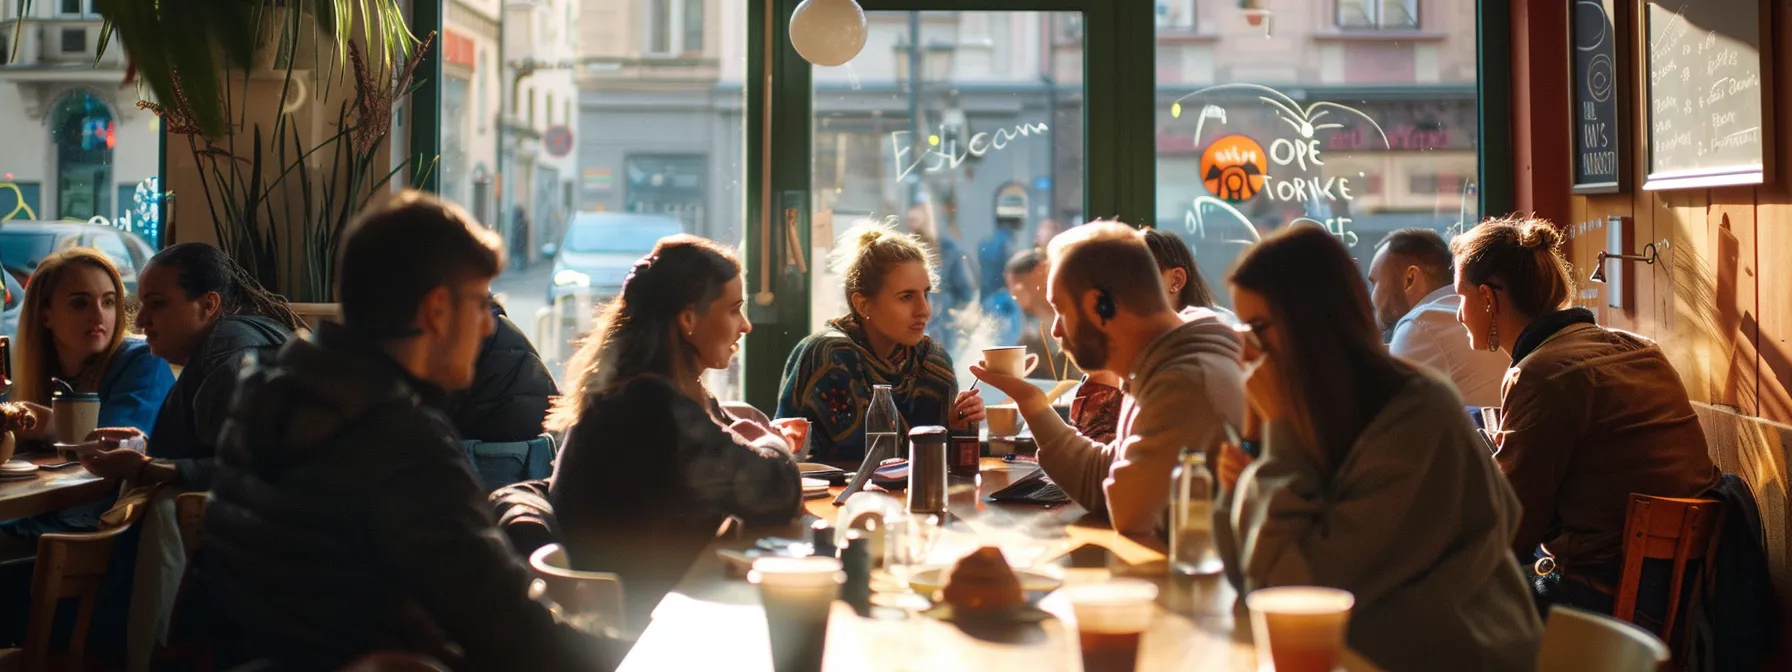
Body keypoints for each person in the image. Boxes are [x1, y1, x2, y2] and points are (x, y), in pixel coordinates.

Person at [197, 191, 616, 670]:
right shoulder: (398, 440)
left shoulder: (264, 395)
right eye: (480, 303)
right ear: (437, 310)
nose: (486, 327)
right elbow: (512, 630)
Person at [1214, 224, 1540, 671]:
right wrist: (1249, 460)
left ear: (1309, 324)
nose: (1244, 355)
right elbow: (1247, 577)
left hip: (1459, 656)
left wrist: (1276, 443)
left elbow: (1296, 593)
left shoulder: (1414, 416)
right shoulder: (1313, 413)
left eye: (1256, 331)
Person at [1450, 216, 1719, 625]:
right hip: (1677, 598)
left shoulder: (1541, 374)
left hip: (1599, 601)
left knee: (1437, 603)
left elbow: (1512, 532)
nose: (1457, 314)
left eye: (1460, 297)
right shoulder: (1638, 348)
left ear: (1488, 298)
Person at [549, 234, 802, 625]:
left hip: (649, 603)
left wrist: (740, 429)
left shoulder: (632, 389)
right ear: (687, 320)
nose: (747, 326)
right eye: (734, 310)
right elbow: (778, 490)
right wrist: (771, 439)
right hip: (642, 630)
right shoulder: (649, 408)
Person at [970, 221, 1243, 537]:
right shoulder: (1161, 363)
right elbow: (1108, 475)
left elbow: (1128, 512)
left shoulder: (1186, 383)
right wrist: (1030, 401)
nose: (1056, 330)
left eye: (1060, 310)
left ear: (1097, 305)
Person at [78, 242, 302, 491]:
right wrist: (143, 448)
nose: (140, 321)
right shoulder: (231, 344)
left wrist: (145, 468)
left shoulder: (232, 360)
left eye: (157, 304)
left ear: (208, 305)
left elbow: (254, 472)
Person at [777, 220, 987, 463]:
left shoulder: (932, 362)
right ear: (862, 304)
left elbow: (942, 464)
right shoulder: (830, 355)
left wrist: (959, 426)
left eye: (926, 294)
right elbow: (859, 459)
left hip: (911, 496)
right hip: (831, 498)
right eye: (906, 297)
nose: (924, 310)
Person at [1072, 227, 1227, 444]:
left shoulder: (1193, 360)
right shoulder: (1134, 345)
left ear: (1176, 280)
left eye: (1134, 280)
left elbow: (1115, 461)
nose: (1118, 294)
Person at [9, 248, 174, 441]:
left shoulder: (145, 360)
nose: (98, 315)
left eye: (108, 302)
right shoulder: (32, 370)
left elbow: (116, 442)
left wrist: (41, 422)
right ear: (45, 315)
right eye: (80, 303)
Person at [1367, 228, 1506, 407]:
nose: (1371, 298)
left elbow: (1388, 422)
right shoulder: (1475, 313)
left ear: (1410, 279)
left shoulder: (1420, 324)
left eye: (1375, 283)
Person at [906, 202, 977, 352]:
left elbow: (965, 293)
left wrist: (943, 306)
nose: (912, 216)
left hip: (941, 331)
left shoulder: (949, 250)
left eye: (917, 211)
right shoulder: (903, 249)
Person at [1005, 248, 1078, 380]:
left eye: (1016, 284)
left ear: (1040, 271)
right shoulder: (1030, 333)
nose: (1014, 293)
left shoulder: (1072, 310)